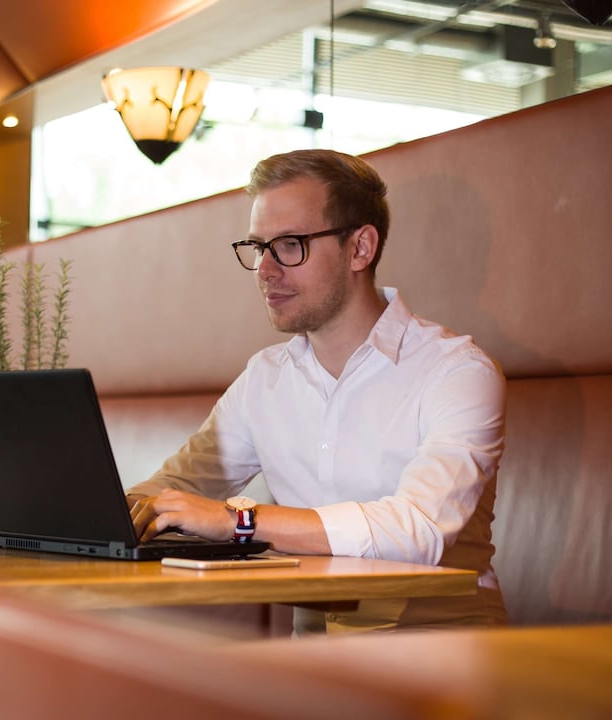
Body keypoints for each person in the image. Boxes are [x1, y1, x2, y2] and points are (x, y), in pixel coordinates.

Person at [128, 149, 507, 633]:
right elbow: (174, 489)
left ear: (360, 248)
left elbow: (418, 529)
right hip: (313, 659)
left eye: (289, 245)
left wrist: (240, 522)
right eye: (257, 247)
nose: (265, 269)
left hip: (440, 659)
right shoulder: (265, 377)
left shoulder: (457, 371)